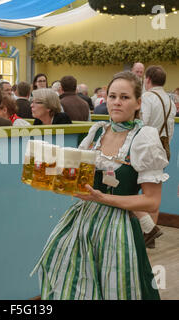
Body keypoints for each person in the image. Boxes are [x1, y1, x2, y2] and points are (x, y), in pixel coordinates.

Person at [31, 71, 168, 300]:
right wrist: (48, 172)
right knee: (74, 284)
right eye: (112, 96)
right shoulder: (96, 132)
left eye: (124, 97)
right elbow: (76, 178)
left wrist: (103, 198)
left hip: (120, 227)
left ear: (138, 103)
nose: (116, 102)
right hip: (83, 223)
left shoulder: (144, 138)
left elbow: (152, 201)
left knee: (118, 288)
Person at [135, 65, 176, 248]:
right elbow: (171, 129)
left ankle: (147, 231)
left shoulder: (148, 97)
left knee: (138, 193)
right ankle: (149, 234)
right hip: (163, 149)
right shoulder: (170, 100)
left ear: (148, 79)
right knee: (153, 193)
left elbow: (142, 124)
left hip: (147, 149)